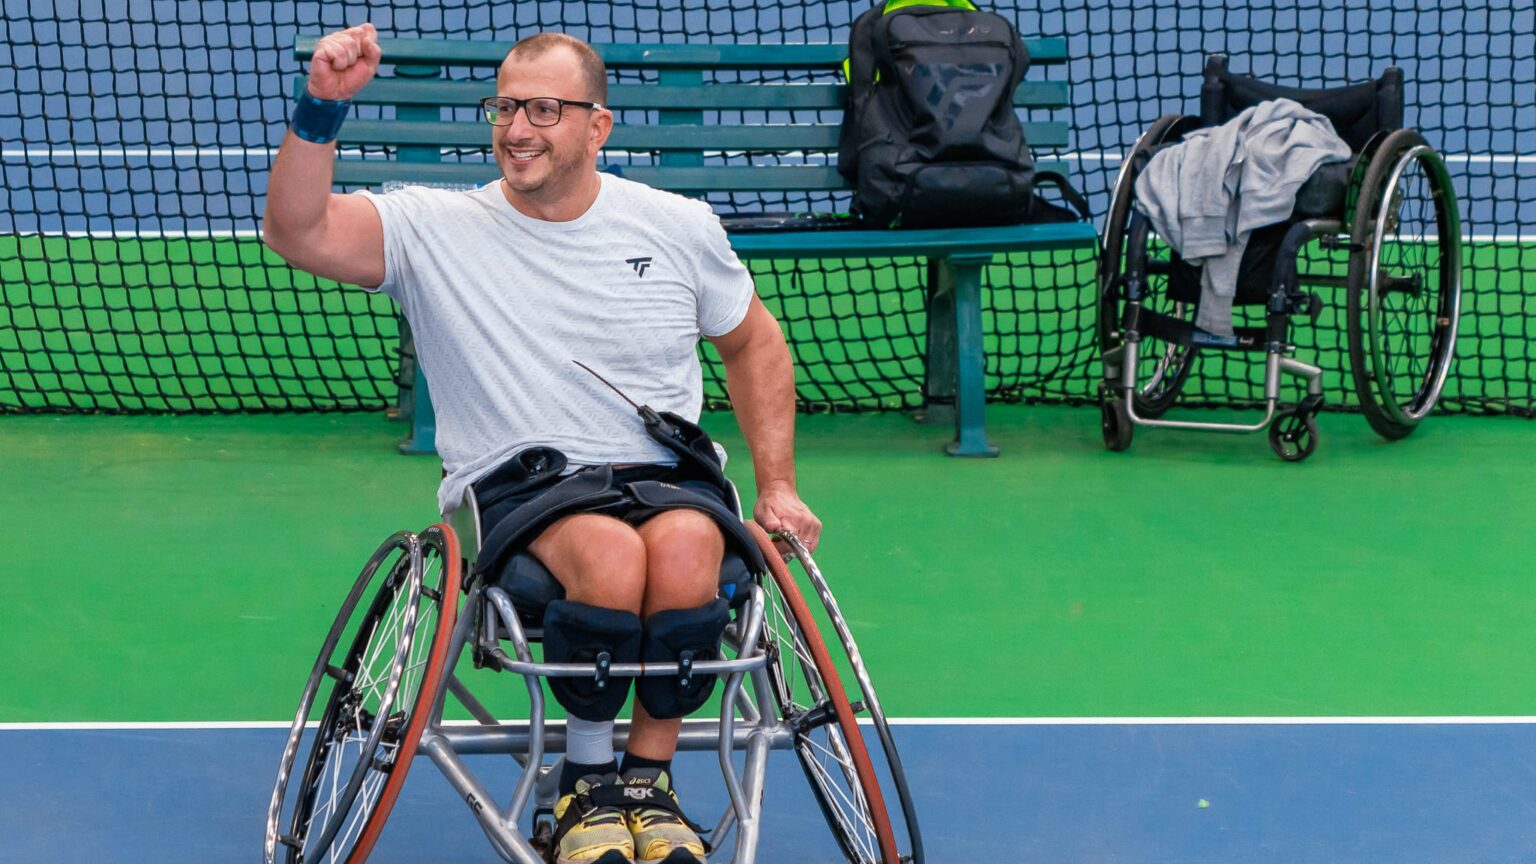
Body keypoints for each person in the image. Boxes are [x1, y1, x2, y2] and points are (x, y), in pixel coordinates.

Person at [263, 23, 822, 864]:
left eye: (544, 110)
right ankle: (586, 785)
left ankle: (646, 782)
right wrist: (321, 111)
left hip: (667, 477)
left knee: (689, 549)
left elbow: (755, 344)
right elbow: (295, 232)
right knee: (606, 554)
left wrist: (777, 486)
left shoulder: (676, 225)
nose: (517, 128)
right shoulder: (431, 227)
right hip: (526, 489)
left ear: (597, 126)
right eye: (506, 107)